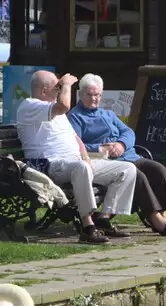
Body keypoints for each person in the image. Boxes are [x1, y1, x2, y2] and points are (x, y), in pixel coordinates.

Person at [15, 70, 139, 244]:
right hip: (51, 165)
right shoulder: (30, 106)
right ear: (43, 90)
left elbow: (76, 138)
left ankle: (103, 220)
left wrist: (85, 156)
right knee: (81, 168)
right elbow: (64, 105)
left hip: (76, 163)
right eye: (57, 87)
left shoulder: (55, 112)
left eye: (61, 86)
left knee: (127, 169)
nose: (60, 90)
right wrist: (67, 84)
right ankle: (88, 227)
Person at [69, 74, 166, 237]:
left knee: (158, 170)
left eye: (98, 95)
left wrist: (121, 145)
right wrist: (100, 147)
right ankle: (156, 220)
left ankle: (163, 215)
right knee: (139, 176)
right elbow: (76, 145)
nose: (94, 99)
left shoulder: (107, 114)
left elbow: (128, 131)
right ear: (81, 94)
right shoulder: (75, 116)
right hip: (108, 163)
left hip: (129, 155)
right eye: (90, 94)